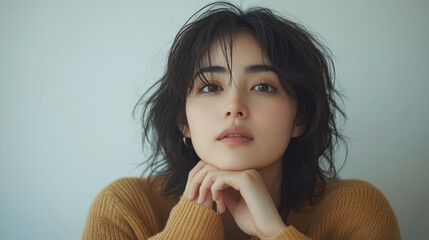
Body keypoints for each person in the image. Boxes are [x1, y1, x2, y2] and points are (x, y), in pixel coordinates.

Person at [83, 2, 401, 239]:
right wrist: (191, 221)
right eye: (210, 87)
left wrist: (276, 232)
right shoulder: (124, 208)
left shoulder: (356, 209)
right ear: (183, 120)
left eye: (263, 87)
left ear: (300, 118)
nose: (234, 107)